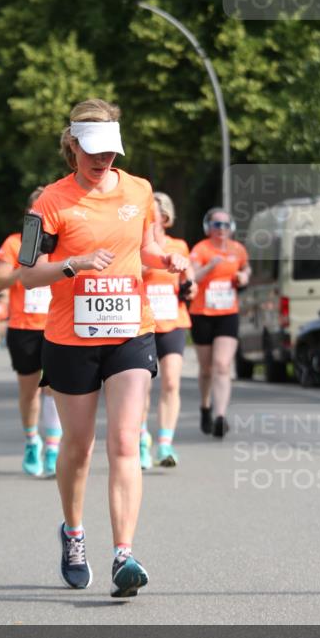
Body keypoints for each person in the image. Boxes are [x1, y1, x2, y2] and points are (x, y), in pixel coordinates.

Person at [20, 99, 187, 598]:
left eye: (111, 152)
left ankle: (124, 554)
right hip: (70, 338)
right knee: (79, 446)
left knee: (123, 439)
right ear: (71, 146)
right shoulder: (48, 203)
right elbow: (28, 272)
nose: (103, 162)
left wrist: (168, 258)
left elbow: (148, 246)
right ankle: (74, 533)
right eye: (93, 152)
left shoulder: (139, 189)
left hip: (131, 330)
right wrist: (74, 264)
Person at [0, 189, 62, 478]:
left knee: (54, 389)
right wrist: (25, 272)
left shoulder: (63, 240)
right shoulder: (14, 243)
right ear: (29, 214)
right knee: (30, 391)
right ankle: (32, 440)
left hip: (57, 325)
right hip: (24, 328)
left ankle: (53, 447)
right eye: (37, 211)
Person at [140, 192, 195, 469]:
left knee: (171, 382)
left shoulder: (179, 245)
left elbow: (190, 279)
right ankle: (141, 439)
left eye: (155, 210)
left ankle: (165, 443)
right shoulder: (138, 245)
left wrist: (190, 286)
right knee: (141, 388)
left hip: (173, 321)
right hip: (143, 322)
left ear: (164, 216)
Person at [189, 207, 251, 437]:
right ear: (208, 228)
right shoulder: (201, 249)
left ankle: (220, 416)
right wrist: (210, 266)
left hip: (228, 313)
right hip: (202, 314)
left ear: (231, 228)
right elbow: (192, 277)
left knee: (222, 365)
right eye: (216, 225)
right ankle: (205, 407)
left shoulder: (237, 249)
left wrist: (244, 276)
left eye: (225, 225)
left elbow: (246, 268)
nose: (221, 229)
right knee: (206, 369)